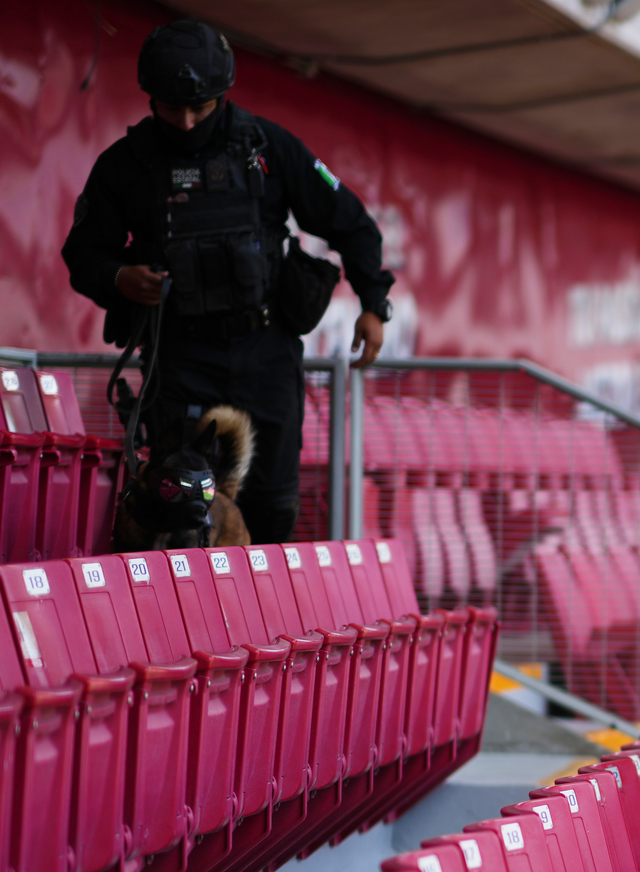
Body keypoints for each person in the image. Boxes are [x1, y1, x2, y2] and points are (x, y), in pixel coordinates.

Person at [62, 19, 394, 544]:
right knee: (179, 507)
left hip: (266, 351)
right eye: (172, 108)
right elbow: (81, 254)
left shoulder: (268, 148)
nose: (188, 122)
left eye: (202, 107)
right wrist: (120, 277)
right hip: (179, 357)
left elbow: (349, 219)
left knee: (273, 502)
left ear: (223, 95)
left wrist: (375, 302)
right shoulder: (125, 165)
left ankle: (266, 625)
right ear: (150, 99)